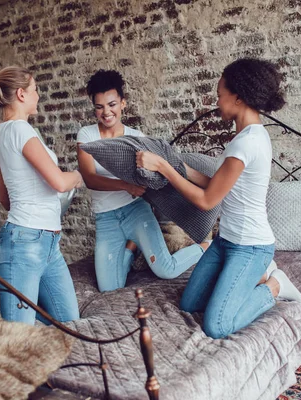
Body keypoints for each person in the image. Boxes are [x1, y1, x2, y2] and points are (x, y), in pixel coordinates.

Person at [136, 58, 301, 339]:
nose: (217, 102)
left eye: (219, 95)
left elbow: (207, 200)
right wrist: (175, 164)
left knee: (217, 325)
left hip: (251, 246)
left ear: (237, 97)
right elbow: (218, 184)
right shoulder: (244, 137)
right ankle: (246, 279)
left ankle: (274, 285)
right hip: (226, 242)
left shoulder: (247, 142)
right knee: (189, 303)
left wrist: (163, 168)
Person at [77, 70, 211, 293]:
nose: (106, 112)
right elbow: (90, 179)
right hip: (106, 218)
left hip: (135, 211)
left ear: (123, 103)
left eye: (111, 104)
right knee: (109, 289)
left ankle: (206, 247)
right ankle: (131, 247)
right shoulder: (87, 135)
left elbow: (152, 173)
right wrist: (125, 186)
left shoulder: (136, 137)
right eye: (99, 107)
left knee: (166, 269)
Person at [0, 66, 83, 325]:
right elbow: (60, 182)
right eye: (35, 90)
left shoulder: (3, 133)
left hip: (48, 244)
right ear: (21, 94)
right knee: (19, 334)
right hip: (24, 244)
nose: (38, 95)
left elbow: (5, 200)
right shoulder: (21, 131)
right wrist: (83, 174)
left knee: (69, 323)